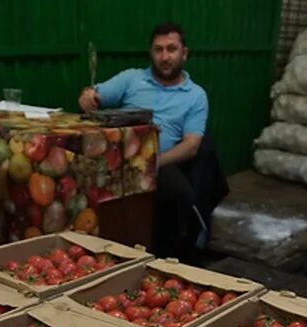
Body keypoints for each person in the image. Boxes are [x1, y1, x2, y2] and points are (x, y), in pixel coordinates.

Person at [78, 22, 225, 259]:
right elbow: (93, 94)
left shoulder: (196, 95)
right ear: (151, 53)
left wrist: (152, 162)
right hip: (118, 158)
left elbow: (191, 146)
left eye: (171, 49)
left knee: (177, 192)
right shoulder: (131, 79)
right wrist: (88, 96)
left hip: (162, 162)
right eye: (158, 49)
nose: (165, 56)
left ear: (184, 53)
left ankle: (163, 258)